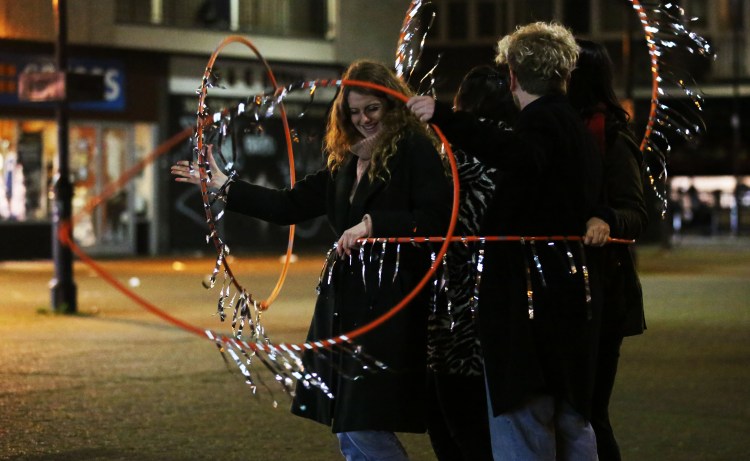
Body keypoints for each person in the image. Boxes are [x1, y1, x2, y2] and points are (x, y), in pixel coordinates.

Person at [172, 59, 453, 460]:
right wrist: (224, 186)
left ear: (392, 104)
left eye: (372, 109)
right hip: (344, 302)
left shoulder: (414, 150)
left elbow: (437, 218)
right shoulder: (347, 160)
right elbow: (287, 205)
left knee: (360, 418)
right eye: (353, 112)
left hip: (389, 301)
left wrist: (373, 224)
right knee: (346, 421)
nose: (364, 120)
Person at [408, 22, 604, 460]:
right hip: (568, 295)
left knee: (525, 422)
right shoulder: (576, 129)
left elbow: (520, 154)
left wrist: (445, 117)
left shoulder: (541, 123)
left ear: (513, 76)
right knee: (571, 423)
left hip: (530, 304)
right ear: (565, 73)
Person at [425, 64, 517, 461]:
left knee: (453, 412)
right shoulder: (519, 148)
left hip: (453, 294)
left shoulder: (451, 155)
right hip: (503, 294)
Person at [569, 38, 649, 461]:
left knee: (589, 413)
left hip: (603, 291)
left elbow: (635, 212)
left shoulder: (613, 137)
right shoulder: (550, 128)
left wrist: (605, 220)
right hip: (560, 292)